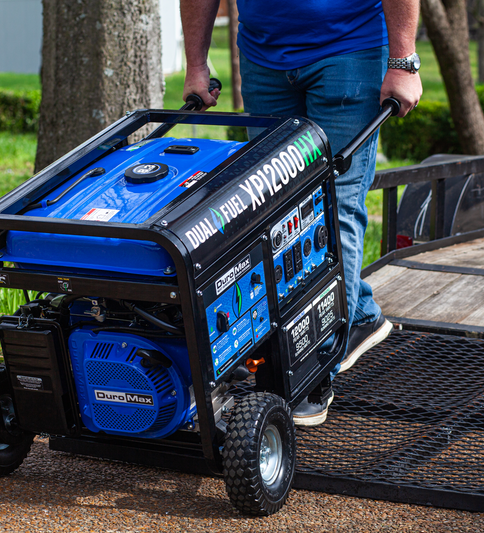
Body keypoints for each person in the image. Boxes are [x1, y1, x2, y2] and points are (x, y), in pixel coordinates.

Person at [181, 0, 423, 427]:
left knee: (334, 201)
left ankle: (314, 368)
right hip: (263, 56)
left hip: (348, 51)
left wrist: (403, 60)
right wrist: (195, 64)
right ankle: (359, 315)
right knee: (275, 203)